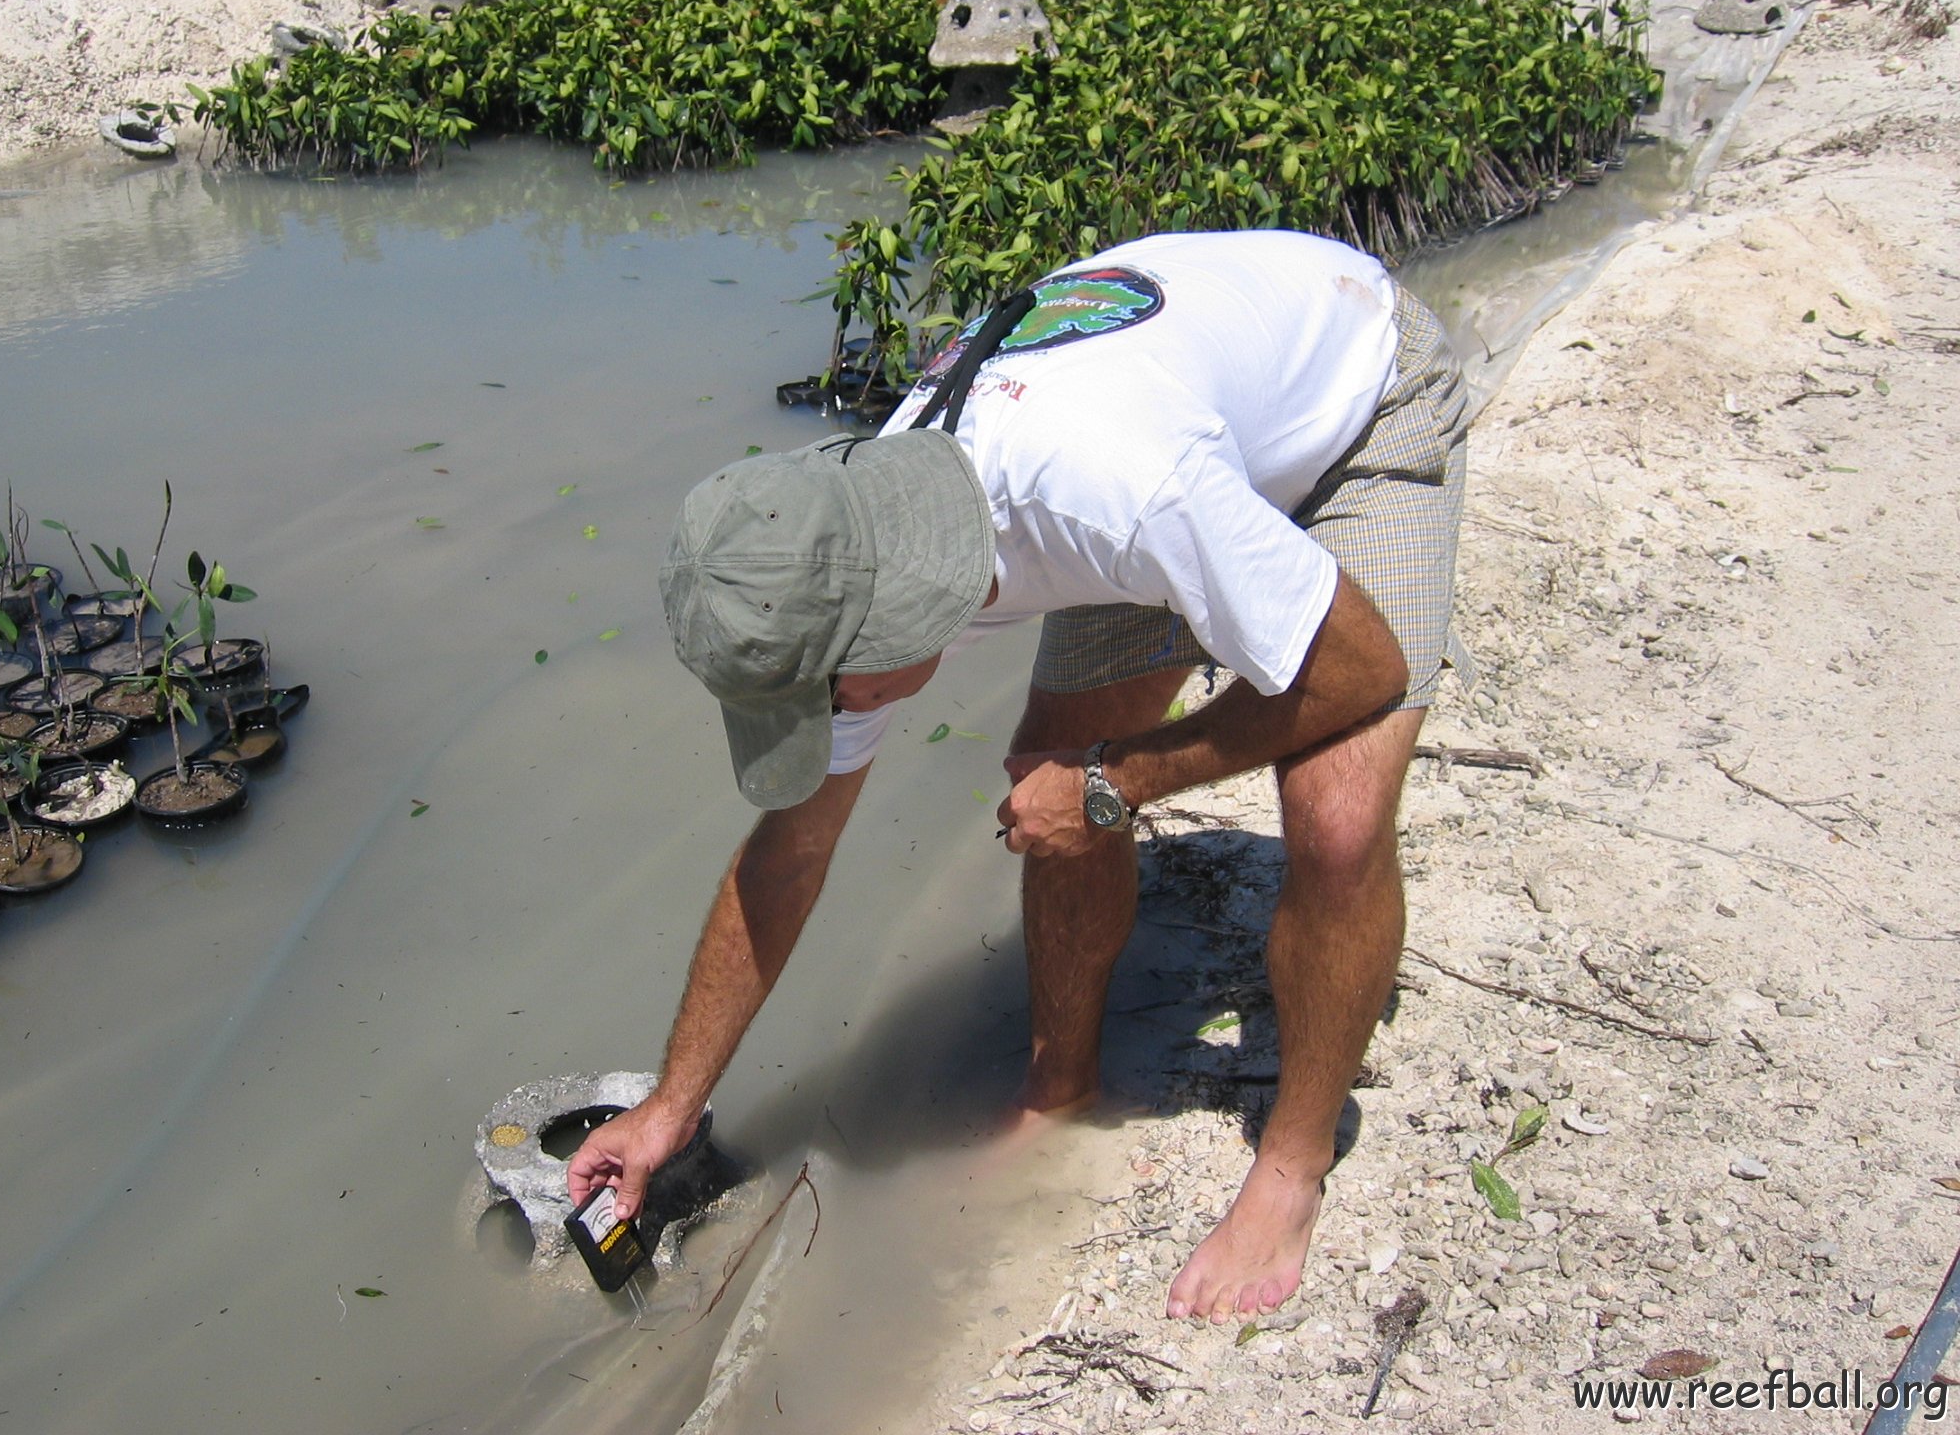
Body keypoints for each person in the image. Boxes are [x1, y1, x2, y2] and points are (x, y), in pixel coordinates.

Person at [567, 229, 1473, 1324]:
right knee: (1054, 774)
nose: (835, 718)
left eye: (833, 696)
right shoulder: (846, 548)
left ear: (890, 616)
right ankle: (1058, 1087)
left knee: (1330, 822)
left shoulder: (1109, 490)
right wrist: (672, 1105)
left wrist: (1117, 782)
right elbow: (789, 853)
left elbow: (1360, 669)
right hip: (1189, 436)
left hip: (1358, 400)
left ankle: (1289, 1167)